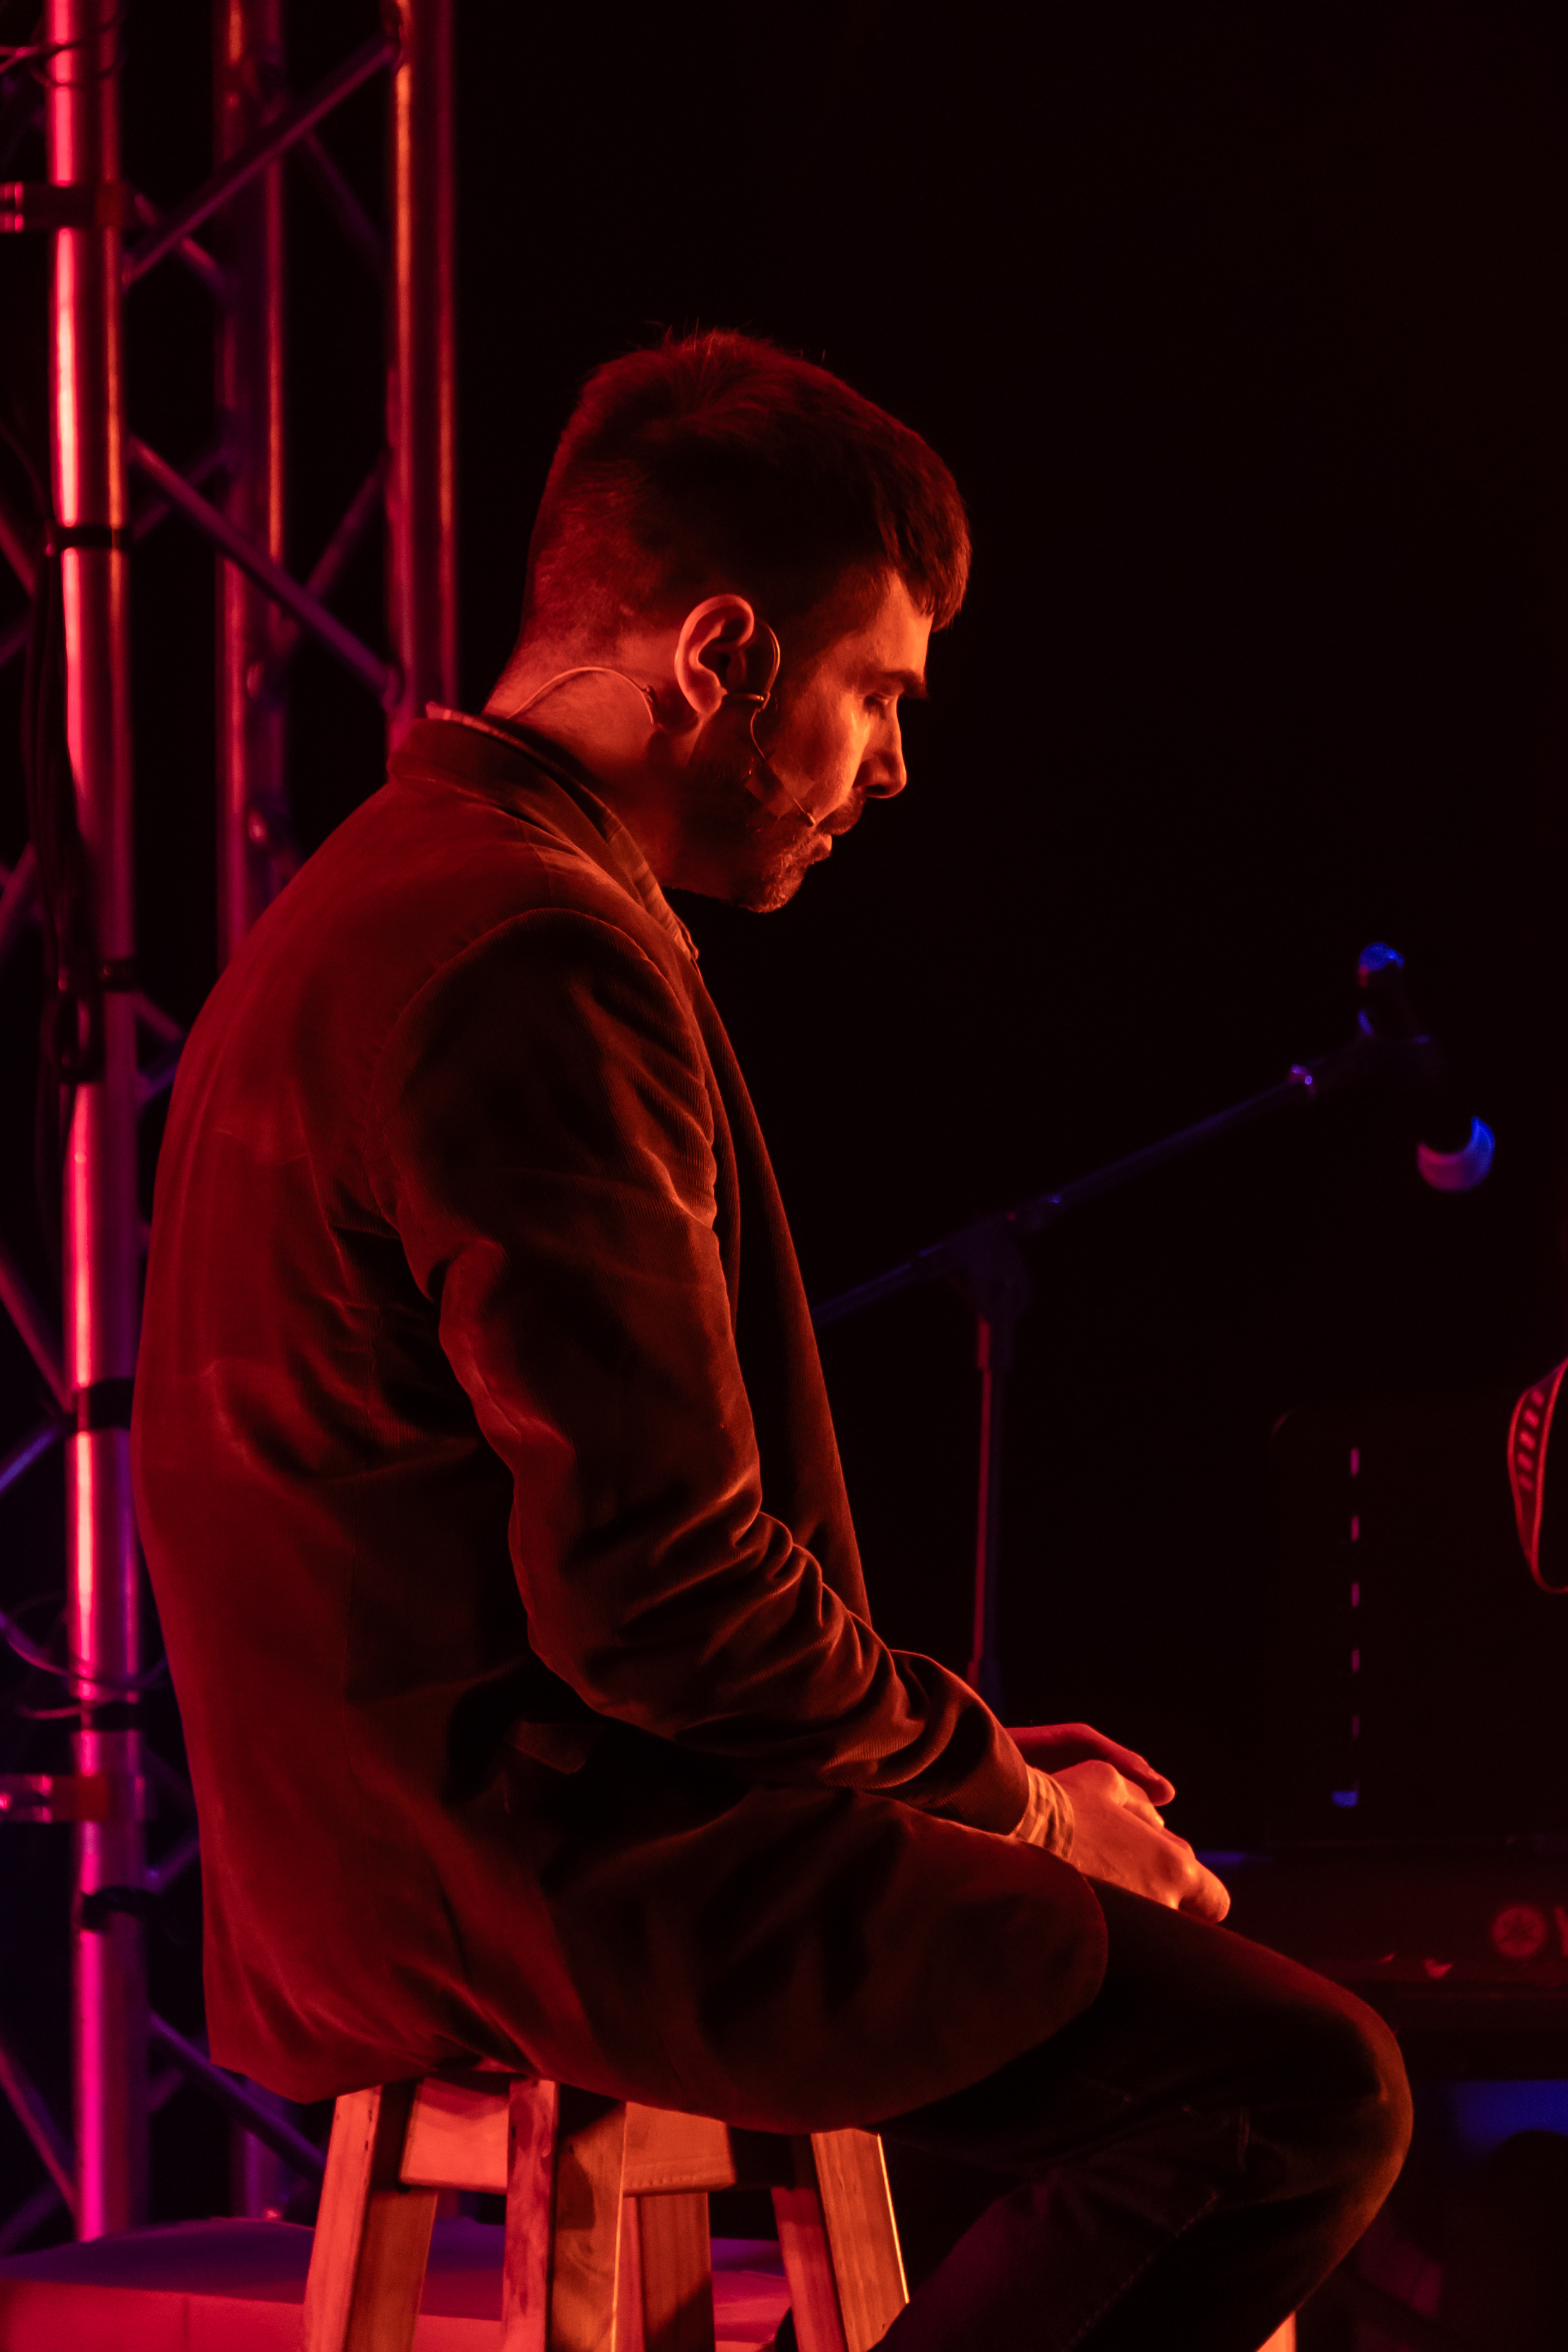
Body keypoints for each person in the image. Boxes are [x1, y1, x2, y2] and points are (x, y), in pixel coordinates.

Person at [132, 329, 1409, 2346]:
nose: (892, 765)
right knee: (1295, 2094)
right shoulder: (536, 951)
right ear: (723, 654)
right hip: (547, 1875)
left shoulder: (391, 885)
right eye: (875, 691)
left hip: (403, 1849)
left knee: (1192, 2003)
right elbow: (661, 1604)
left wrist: (962, 1771)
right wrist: (1007, 1808)